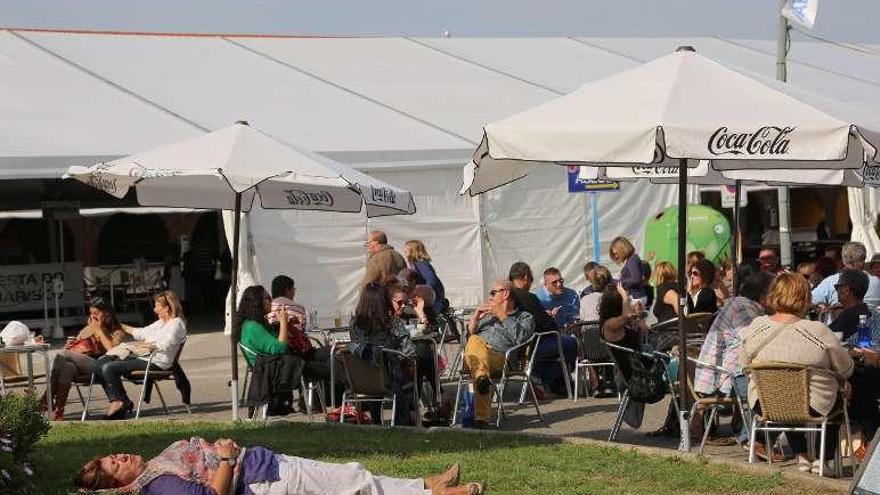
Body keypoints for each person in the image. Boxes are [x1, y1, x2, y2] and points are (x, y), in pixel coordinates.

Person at [73, 436, 483, 495]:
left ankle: (425, 485)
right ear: (116, 486)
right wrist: (230, 456)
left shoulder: (154, 466)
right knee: (353, 483)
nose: (121, 457)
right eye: (115, 466)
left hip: (265, 464)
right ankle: (436, 493)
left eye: (115, 455)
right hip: (264, 479)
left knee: (352, 475)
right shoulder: (156, 485)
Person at [740, 273, 854, 476]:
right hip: (814, 405)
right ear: (805, 298)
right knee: (834, 399)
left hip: (765, 403)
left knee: (786, 394)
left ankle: (802, 456)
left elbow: (744, 365)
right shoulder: (817, 330)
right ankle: (823, 459)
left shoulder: (756, 327)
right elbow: (845, 368)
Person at [692, 271, 774, 445]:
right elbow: (756, 343)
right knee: (767, 384)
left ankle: (749, 432)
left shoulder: (741, 304)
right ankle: (751, 439)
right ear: (764, 295)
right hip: (720, 381)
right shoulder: (744, 309)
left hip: (720, 375)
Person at [92, 291, 186, 420]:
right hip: (143, 357)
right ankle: (118, 400)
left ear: (167, 307)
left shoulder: (176, 324)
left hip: (157, 363)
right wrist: (116, 323)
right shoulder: (161, 322)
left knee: (109, 368)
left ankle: (122, 401)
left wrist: (139, 346)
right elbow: (141, 332)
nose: (154, 310)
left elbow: (164, 345)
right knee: (99, 364)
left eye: (157, 306)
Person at [42, 297, 129, 420]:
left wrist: (99, 330)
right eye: (91, 313)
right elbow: (77, 348)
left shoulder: (117, 331)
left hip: (102, 367)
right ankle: (58, 411)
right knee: (67, 367)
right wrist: (68, 346)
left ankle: (47, 398)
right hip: (82, 364)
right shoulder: (88, 328)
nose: (93, 316)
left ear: (107, 313)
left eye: (96, 313)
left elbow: (112, 352)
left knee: (60, 355)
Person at [464, 280, 535, 428]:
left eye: (492, 293)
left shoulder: (525, 317)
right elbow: (464, 345)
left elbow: (520, 338)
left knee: (476, 350)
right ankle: (481, 416)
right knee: (475, 343)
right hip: (478, 358)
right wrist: (474, 322)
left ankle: (481, 415)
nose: (489, 297)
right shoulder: (487, 317)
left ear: (506, 293)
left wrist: (502, 316)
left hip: (502, 359)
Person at [349, 282, 417, 425]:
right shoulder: (392, 323)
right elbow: (409, 351)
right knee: (414, 366)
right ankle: (408, 415)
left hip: (360, 380)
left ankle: (376, 418)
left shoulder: (354, 324)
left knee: (378, 366)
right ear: (384, 301)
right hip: (389, 379)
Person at [532, 267, 579, 395]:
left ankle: (549, 380)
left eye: (561, 281)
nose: (559, 285)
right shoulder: (537, 298)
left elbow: (576, 317)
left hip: (567, 332)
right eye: (555, 283)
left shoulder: (572, 295)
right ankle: (554, 380)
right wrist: (546, 317)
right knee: (565, 347)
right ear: (546, 284)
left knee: (574, 343)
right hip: (546, 336)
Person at [812, 242, 880, 308]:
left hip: (840, 318)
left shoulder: (830, 282)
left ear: (843, 261)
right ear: (864, 259)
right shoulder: (876, 282)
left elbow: (809, 300)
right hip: (870, 319)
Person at [507, 262, 557, 333]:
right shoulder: (528, 297)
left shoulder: (503, 295)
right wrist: (550, 318)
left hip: (504, 340)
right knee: (572, 341)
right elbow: (547, 325)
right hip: (530, 341)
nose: (531, 284)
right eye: (531, 279)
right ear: (526, 277)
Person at [404, 240, 448, 313]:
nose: (405, 254)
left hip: (431, 300)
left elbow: (431, 280)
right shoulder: (421, 264)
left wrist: (423, 293)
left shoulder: (420, 264)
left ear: (413, 252)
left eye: (406, 252)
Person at [828, 269, 872, 340]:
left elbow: (822, 339)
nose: (836, 291)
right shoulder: (868, 313)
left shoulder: (849, 316)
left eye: (837, 288)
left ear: (846, 290)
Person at [609, 236, 646, 304]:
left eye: (616, 253)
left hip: (636, 298)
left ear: (623, 249)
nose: (616, 256)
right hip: (635, 297)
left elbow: (636, 278)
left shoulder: (632, 260)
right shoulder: (631, 259)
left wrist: (619, 281)